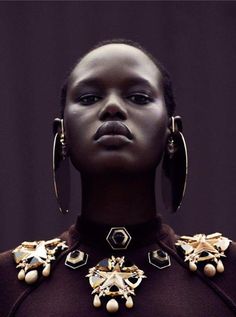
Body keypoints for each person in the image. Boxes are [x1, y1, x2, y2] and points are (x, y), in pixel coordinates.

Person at [0, 39, 236, 317]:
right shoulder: (8, 285)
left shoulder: (228, 276)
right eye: (89, 98)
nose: (112, 107)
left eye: (138, 98)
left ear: (171, 131)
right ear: (62, 133)